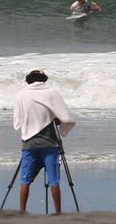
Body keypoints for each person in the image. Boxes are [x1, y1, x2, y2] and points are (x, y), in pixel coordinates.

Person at [13, 70, 76, 213]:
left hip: (30, 144)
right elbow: (63, 118)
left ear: (28, 81)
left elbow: (18, 123)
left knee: (25, 180)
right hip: (50, 144)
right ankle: (58, 212)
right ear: (44, 81)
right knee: (54, 181)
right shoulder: (50, 92)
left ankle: (22, 212)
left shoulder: (21, 95)